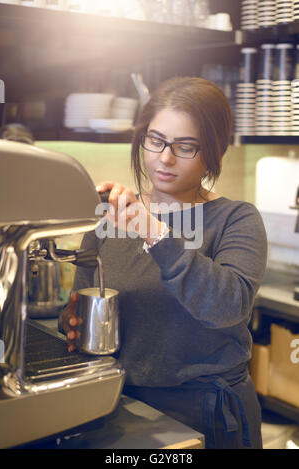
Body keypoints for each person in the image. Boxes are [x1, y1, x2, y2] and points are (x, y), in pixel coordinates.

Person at [60, 76, 268, 449]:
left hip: (205, 410)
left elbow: (228, 306)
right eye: (156, 141)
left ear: (213, 151)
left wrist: (153, 230)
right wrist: (72, 323)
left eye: (186, 146)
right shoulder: (110, 216)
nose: (165, 158)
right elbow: (81, 305)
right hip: (119, 404)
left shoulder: (236, 219)